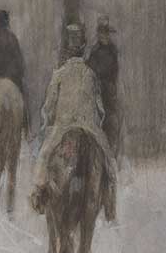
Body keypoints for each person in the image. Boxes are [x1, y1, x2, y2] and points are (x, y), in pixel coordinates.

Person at [34, 21, 117, 223]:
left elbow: (47, 108)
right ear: (82, 49)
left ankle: (39, 193)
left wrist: (46, 123)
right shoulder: (91, 75)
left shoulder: (59, 75)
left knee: (44, 156)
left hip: (62, 128)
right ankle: (109, 201)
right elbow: (100, 109)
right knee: (108, 160)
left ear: (68, 50)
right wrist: (96, 123)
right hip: (89, 128)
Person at [87, 19, 121, 155]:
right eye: (101, 33)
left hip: (107, 90)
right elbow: (89, 67)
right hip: (96, 87)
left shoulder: (113, 51)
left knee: (111, 118)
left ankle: (110, 150)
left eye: (106, 34)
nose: (103, 36)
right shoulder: (94, 51)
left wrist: (100, 76)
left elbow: (111, 70)